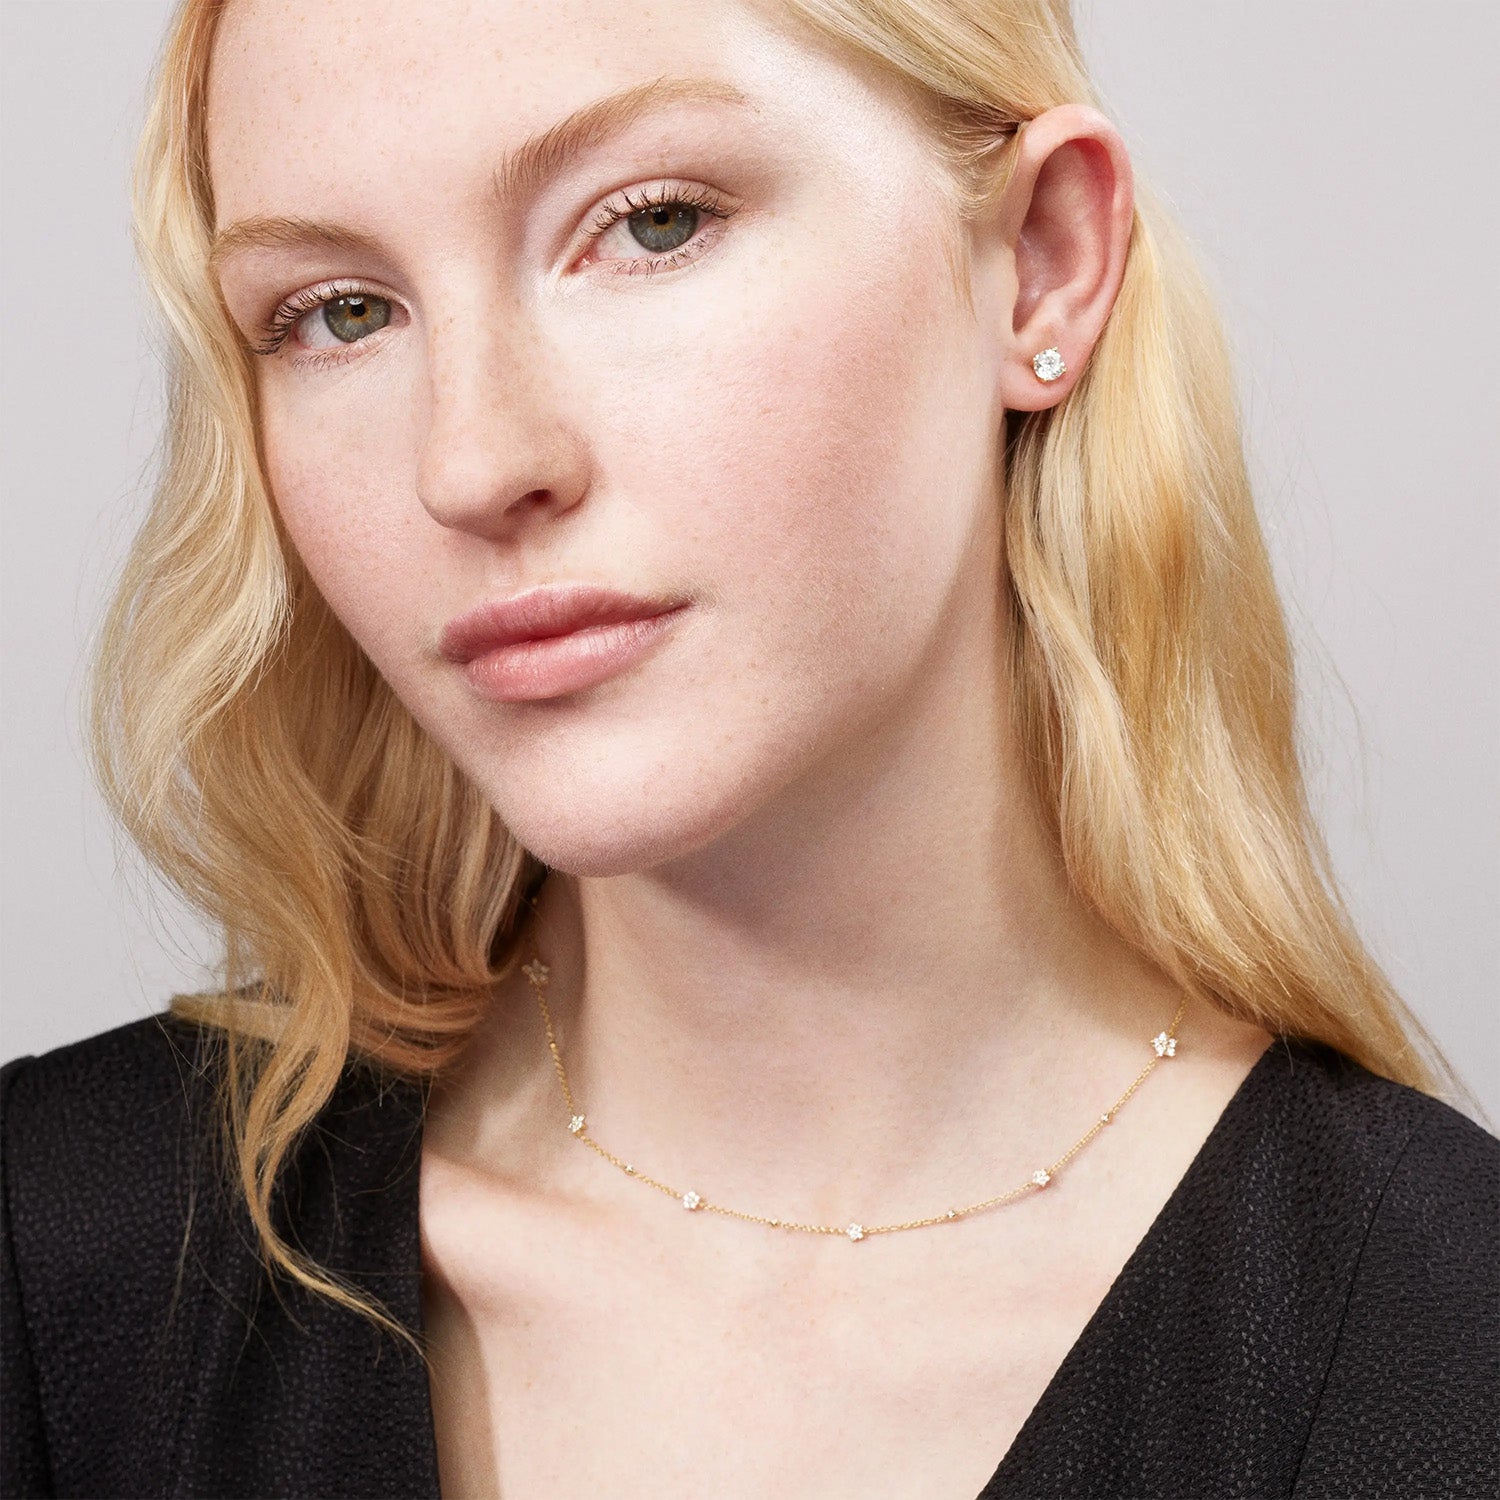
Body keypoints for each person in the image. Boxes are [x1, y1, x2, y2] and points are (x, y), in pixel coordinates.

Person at [2, 0, 1495, 1496]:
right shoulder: (61, 1265)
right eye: (340, 313)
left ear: (1040, 261)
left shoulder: (1442, 1350)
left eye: (651, 224)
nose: (473, 462)